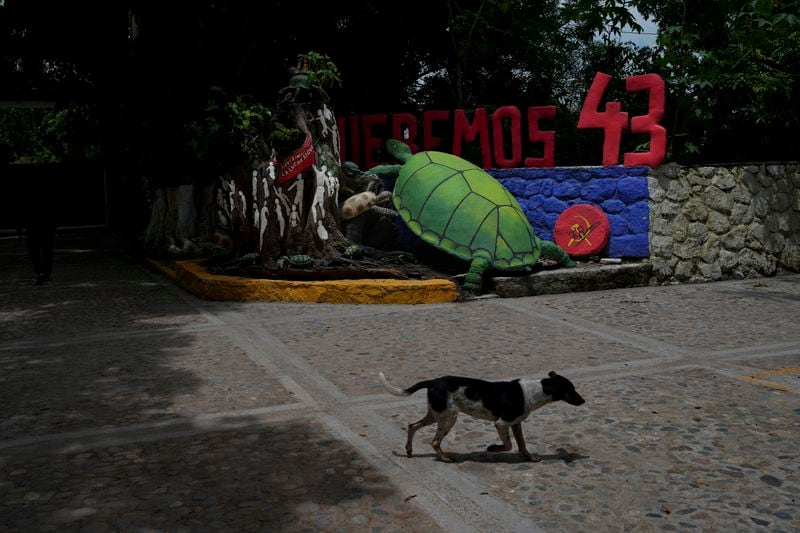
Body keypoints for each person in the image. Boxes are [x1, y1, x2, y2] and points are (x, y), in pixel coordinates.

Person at [24, 168, 58, 285]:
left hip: (33, 225)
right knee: (47, 250)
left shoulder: (28, 195)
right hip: (46, 225)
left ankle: (39, 272)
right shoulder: (49, 194)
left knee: (35, 251)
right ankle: (46, 273)